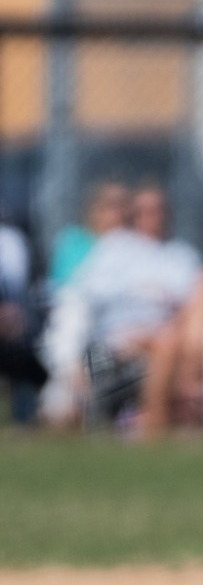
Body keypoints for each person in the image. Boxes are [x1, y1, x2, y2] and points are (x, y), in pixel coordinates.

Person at [63, 183, 203, 437]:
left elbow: (198, 300)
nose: (152, 217)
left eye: (158, 210)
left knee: (176, 334)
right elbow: (86, 296)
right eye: (144, 211)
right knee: (167, 341)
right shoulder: (116, 247)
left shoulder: (180, 256)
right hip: (118, 337)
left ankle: (156, 420)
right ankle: (157, 426)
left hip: (170, 335)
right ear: (133, 216)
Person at [0, 218, 47, 424]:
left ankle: (27, 412)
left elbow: (24, 287)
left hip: (17, 318)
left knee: (19, 339)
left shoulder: (11, 239)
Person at [48, 181, 129, 290]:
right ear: (94, 209)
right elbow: (64, 285)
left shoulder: (133, 245)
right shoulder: (74, 242)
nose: (121, 213)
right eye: (112, 205)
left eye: (124, 205)